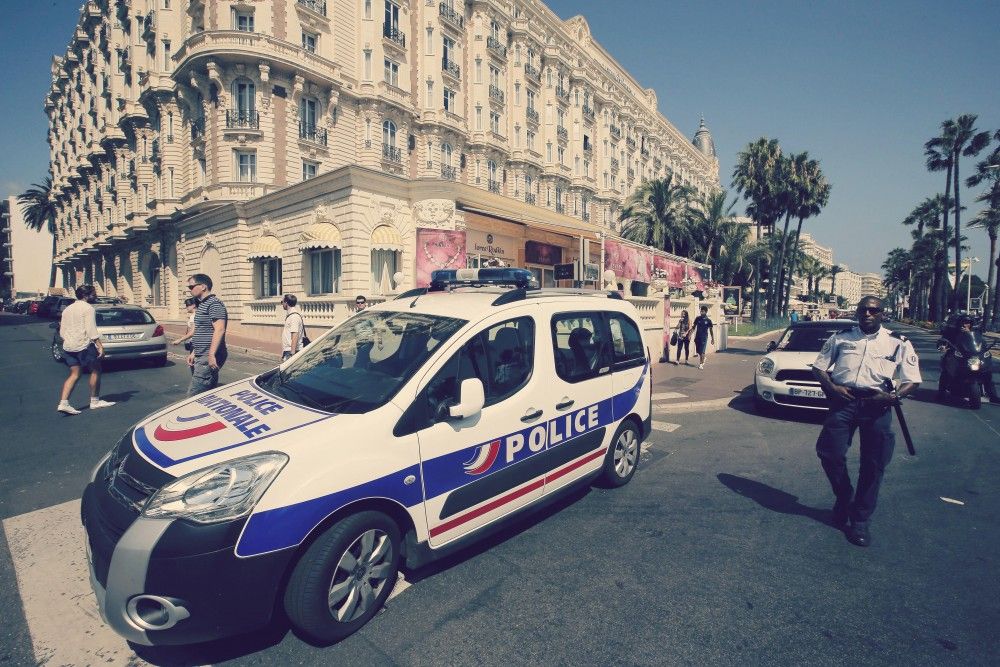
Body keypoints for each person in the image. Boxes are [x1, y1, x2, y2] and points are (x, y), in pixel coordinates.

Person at [811, 296, 921, 547]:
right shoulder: (841, 338)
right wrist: (832, 386)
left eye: (874, 310)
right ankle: (844, 496)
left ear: (882, 313)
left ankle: (860, 520)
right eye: (864, 310)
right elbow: (819, 367)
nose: (868, 314)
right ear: (858, 312)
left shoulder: (898, 343)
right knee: (829, 453)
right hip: (844, 401)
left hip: (877, 404)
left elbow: (912, 379)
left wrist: (891, 396)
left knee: (874, 463)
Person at [57, 284, 116, 414]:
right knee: (96, 370)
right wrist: (100, 346)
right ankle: (95, 401)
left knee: (75, 374)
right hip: (84, 346)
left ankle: (63, 403)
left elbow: (62, 331)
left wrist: (69, 339)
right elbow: (91, 329)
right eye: (94, 293)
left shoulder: (68, 309)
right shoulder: (88, 308)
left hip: (68, 346)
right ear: (86, 295)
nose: (96, 296)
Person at [186, 273, 228, 396]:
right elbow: (201, 330)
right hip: (202, 353)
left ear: (203, 286)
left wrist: (211, 355)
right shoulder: (203, 304)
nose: (190, 290)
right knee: (208, 395)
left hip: (208, 355)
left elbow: (219, 329)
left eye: (191, 287)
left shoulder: (214, 304)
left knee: (193, 397)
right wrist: (194, 352)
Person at [687, 305, 715, 370]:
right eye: (701, 311)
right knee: (698, 351)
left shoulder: (708, 321)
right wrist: (690, 335)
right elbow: (693, 327)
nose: (701, 312)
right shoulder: (697, 318)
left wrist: (712, 339)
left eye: (702, 311)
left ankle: (701, 364)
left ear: (706, 312)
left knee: (702, 351)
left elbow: (711, 330)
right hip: (697, 337)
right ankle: (703, 358)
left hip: (704, 337)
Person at [281, 294, 306, 360]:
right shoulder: (291, 315)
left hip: (292, 351)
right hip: (289, 350)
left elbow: (295, 335)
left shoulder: (294, 317)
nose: (282, 304)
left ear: (286, 302)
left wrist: (292, 354)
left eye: (282, 302)